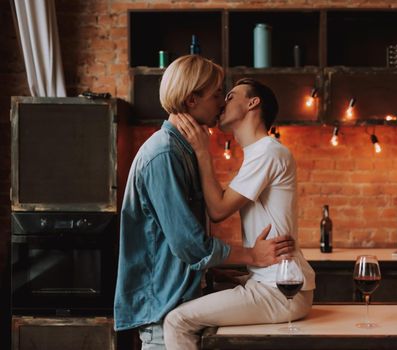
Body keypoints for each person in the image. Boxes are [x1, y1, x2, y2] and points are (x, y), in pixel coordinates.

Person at [114, 56, 295, 350]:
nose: (221, 104)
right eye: (216, 96)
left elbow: (177, 242)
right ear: (191, 100)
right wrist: (251, 256)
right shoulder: (164, 154)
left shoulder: (183, 151)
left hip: (179, 299)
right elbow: (189, 243)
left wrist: (212, 270)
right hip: (164, 309)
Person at [163, 78, 315, 350]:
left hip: (280, 290)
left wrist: (201, 152)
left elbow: (218, 209)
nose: (223, 102)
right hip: (270, 281)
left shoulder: (269, 151)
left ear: (252, 103)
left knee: (177, 321)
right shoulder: (258, 153)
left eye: (231, 96)